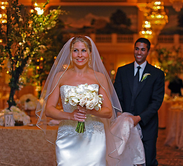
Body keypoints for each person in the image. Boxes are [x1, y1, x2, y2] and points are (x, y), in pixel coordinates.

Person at [36, 36, 145, 166]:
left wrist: (90, 110)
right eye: (75, 50)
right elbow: (49, 109)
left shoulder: (99, 77)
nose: (80, 55)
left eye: (84, 50)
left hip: (94, 137)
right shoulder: (60, 76)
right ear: (70, 53)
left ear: (90, 53)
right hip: (67, 135)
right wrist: (70, 115)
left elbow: (108, 112)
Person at [114, 38, 165, 166]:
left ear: (148, 51)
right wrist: (119, 113)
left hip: (147, 125)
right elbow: (116, 96)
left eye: (143, 49)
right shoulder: (122, 71)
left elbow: (156, 101)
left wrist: (139, 118)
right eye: (137, 48)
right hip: (124, 125)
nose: (139, 52)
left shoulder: (157, 74)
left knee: (148, 161)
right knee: (125, 159)